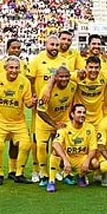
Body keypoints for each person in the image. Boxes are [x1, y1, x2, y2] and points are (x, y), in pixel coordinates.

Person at [0, 56, 35, 185]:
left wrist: (33, 102)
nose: (14, 71)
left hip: (18, 121)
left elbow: (28, 103)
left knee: (26, 145)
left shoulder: (24, 82)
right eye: (11, 68)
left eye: (16, 68)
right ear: (5, 68)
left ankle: (18, 173)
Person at [27, 35, 70, 182]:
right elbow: (29, 80)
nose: (54, 48)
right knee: (38, 141)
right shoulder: (37, 60)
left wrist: (50, 87)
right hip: (40, 108)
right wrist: (32, 96)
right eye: (52, 45)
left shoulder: (63, 61)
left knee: (56, 140)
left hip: (58, 107)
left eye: (57, 45)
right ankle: (36, 169)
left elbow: (64, 77)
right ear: (45, 44)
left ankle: (54, 168)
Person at [35, 66, 78, 186]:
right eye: (61, 76)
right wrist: (54, 125)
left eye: (66, 76)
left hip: (63, 120)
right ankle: (43, 174)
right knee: (41, 146)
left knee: (61, 147)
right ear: (56, 77)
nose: (64, 79)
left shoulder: (73, 86)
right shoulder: (46, 91)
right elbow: (40, 111)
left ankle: (64, 172)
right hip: (45, 121)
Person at [47, 104, 100, 192]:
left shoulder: (90, 128)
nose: (82, 115)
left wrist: (87, 162)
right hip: (67, 158)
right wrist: (65, 159)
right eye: (79, 112)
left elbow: (93, 148)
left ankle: (81, 176)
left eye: (84, 113)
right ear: (72, 114)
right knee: (55, 151)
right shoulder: (64, 127)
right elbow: (55, 144)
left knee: (95, 163)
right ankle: (51, 181)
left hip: (81, 159)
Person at [72, 56, 107, 127]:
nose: (93, 70)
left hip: (98, 120)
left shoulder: (104, 76)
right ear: (86, 68)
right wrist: (48, 90)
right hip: (81, 118)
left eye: (96, 67)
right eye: (91, 67)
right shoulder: (78, 76)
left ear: (100, 68)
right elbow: (60, 74)